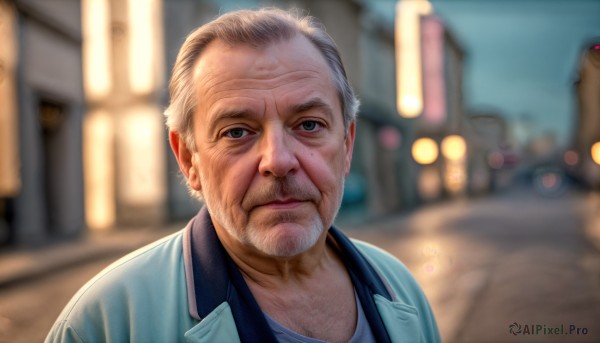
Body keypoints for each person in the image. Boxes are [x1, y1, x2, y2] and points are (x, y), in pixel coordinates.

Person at [46, 8, 440, 343]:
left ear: (347, 144)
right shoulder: (106, 321)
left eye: (308, 125)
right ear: (189, 159)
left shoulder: (400, 289)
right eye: (236, 132)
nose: (278, 161)